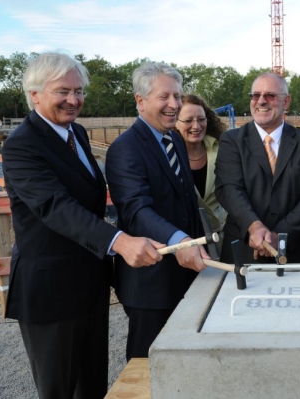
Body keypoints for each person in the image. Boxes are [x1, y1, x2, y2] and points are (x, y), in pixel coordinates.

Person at [2, 52, 163, 399]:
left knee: (91, 386)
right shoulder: (21, 146)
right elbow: (55, 207)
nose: (74, 100)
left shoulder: (75, 133)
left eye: (78, 91)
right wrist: (119, 241)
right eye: (63, 91)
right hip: (50, 292)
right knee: (59, 389)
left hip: (88, 286)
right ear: (34, 94)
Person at [106, 62, 209, 361]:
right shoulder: (125, 148)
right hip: (150, 284)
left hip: (185, 273)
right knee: (146, 365)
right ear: (140, 100)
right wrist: (181, 242)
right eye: (164, 97)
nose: (174, 104)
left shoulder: (174, 138)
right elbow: (136, 210)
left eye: (177, 96)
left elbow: (186, 202)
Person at [215, 73, 300, 263]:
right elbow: (229, 188)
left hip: (293, 251)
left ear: (287, 101)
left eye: (270, 95)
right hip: (243, 250)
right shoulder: (231, 141)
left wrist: (280, 234)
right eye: (255, 95)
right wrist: (254, 226)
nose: (261, 101)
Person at [174, 94, 226, 234]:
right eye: (188, 120)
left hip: (223, 237)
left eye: (201, 119)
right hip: (187, 240)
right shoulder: (168, 157)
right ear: (175, 123)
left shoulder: (221, 149)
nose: (196, 126)